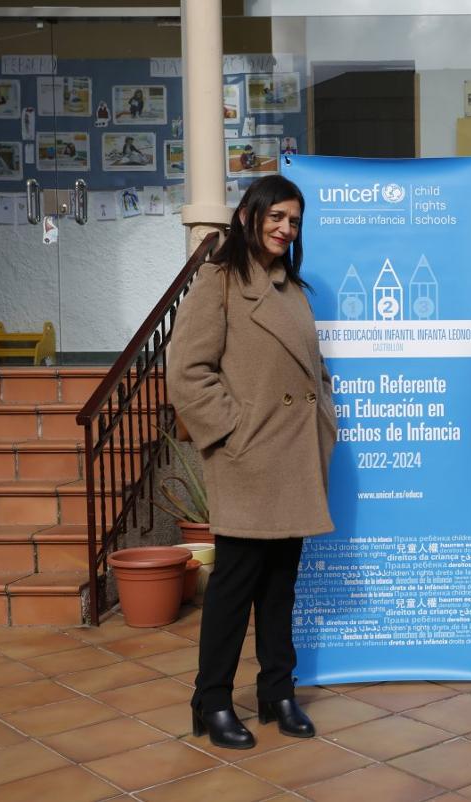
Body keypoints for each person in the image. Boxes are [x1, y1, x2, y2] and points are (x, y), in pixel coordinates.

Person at [168, 175, 338, 750]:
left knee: (280, 585)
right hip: (249, 457)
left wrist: (326, 418)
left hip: (293, 455)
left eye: (294, 221)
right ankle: (210, 701)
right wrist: (234, 431)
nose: (286, 229)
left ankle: (276, 691)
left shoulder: (293, 288)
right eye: (277, 217)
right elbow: (188, 373)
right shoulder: (217, 282)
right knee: (233, 587)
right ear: (248, 215)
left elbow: (313, 371)